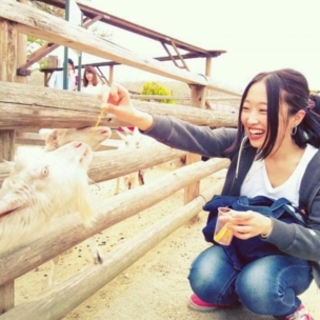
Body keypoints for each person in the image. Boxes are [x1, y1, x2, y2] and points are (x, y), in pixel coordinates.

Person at [98, 69, 320, 320]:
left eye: (264, 110)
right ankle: (239, 290)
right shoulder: (244, 145)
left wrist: (270, 227)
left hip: (288, 257)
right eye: (246, 108)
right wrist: (136, 117)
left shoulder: (314, 168)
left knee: (259, 286)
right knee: (204, 279)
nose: (251, 119)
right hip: (240, 247)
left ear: (296, 117)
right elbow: (196, 136)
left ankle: (288, 307)